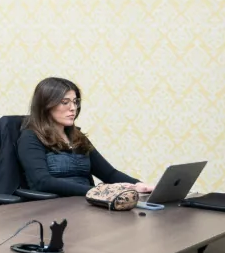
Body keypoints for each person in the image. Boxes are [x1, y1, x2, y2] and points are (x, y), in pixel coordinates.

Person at [16, 77, 154, 198]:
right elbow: (42, 182)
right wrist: (99, 191)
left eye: (75, 102)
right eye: (65, 102)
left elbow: (109, 174)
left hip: (85, 202)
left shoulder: (77, 137)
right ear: (46, 106)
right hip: (53, 207)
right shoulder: (30, 137)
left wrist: (140, 185)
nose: (73, 108)